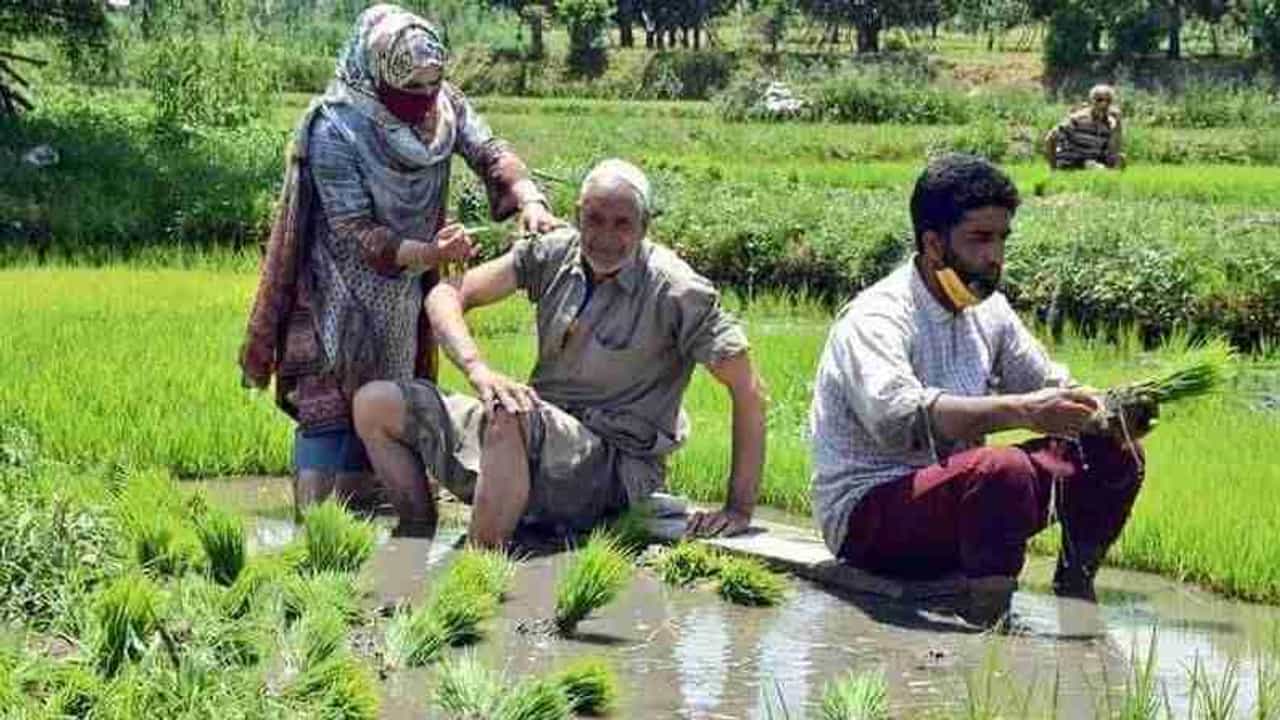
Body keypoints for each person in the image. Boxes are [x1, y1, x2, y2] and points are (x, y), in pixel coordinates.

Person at [239, 4, 559, 534]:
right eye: (409, 89)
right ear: (376, 74)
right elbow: (357, 231)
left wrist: (530, 200)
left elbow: (489, 151)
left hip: (405, 291)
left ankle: (397, 520)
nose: (423, 100)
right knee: (329, 407)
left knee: (395, 396)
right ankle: (321, 527)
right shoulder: (336, 127)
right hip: (336, 287)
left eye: (431, 86)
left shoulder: (445, 108)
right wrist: (431, 254)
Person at [352, 159, 767, 548]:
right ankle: (416, 536)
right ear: (577, 214)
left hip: (613, 467)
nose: (605, 238)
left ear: (644, 227)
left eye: (622, 224)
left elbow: (749, 390)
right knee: (375, 404)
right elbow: (447, 294)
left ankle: (476, 567)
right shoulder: (556, 253)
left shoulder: (676, 290)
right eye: (594, 220)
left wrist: (738, 508)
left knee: (510, 413)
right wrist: (478, 369)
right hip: (530, 441)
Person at [809, 154, 1152, 625]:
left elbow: (1048, 385)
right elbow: (897, 420)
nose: (995, 256)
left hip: (959, 500)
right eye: (980, 239)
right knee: (1000, 469)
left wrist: (1107, 410)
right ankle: (990, 619)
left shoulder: (989, 311)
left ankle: (1075, 586)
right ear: (933, 244)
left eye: (1002, 239)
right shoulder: (877, 316)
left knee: (1117, 451)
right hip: (871, 514)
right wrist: (1021, 411)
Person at [1044, 83, 1125, 170]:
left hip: (1093, 161)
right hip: (1073, 161)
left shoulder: (1108, 124)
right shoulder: (1078, 119)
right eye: (1099, 100)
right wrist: (1053, 167)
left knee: (1121, 159)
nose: (1103, 104)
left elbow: (1113, 152)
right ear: (1092, 101)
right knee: (1094, 165)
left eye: (1108, 101)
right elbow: (1050, 138)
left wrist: (1118, 125)